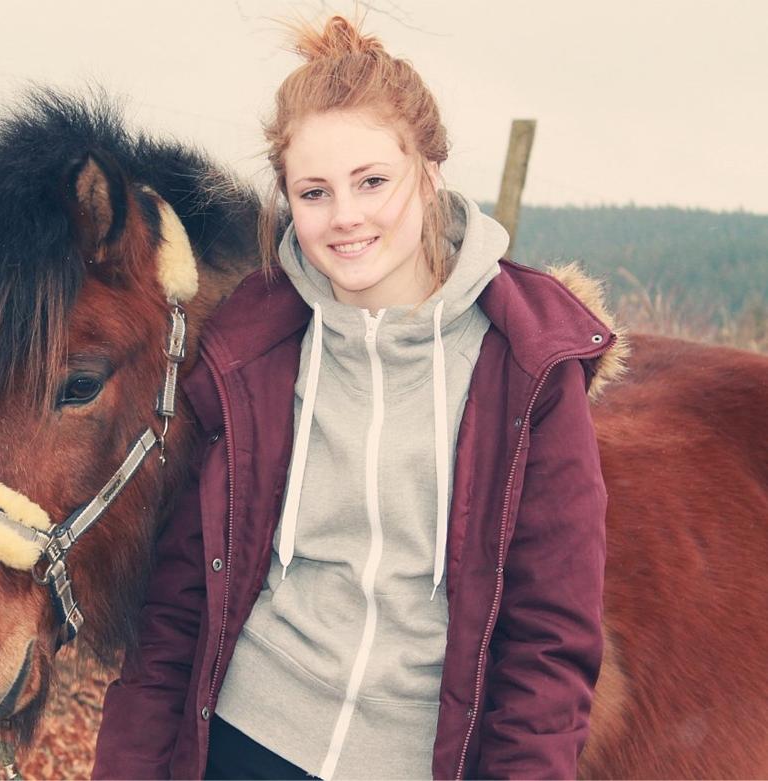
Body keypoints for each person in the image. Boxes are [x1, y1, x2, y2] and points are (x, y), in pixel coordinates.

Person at [93, 15, 618, 780]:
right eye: (314, 192)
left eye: (373, 181)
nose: (345, 216)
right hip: (243, 742)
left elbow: (551, 643)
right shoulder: (251, 347)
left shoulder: (527, 367)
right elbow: (176, 608)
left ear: (429, 172)